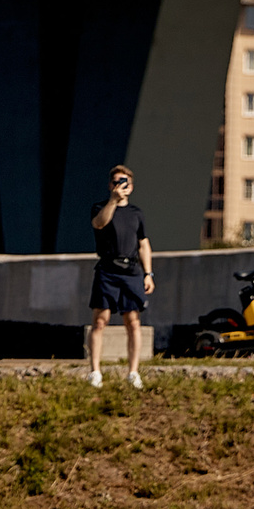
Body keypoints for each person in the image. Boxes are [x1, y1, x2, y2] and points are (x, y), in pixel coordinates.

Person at [86, 164, 154, 391]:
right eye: (116, 182)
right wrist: (113, 201)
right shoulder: (100, 207)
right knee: (100, 320)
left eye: (124, 183)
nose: (120, 186)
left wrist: (148, 273)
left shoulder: (137, 213)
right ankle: (95, 372)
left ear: (131, 187)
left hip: (131, 271)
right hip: (108, 269)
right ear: (110, 185)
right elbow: (99, 223)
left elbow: (143, 243)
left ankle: (133, 372)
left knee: (133, 322)